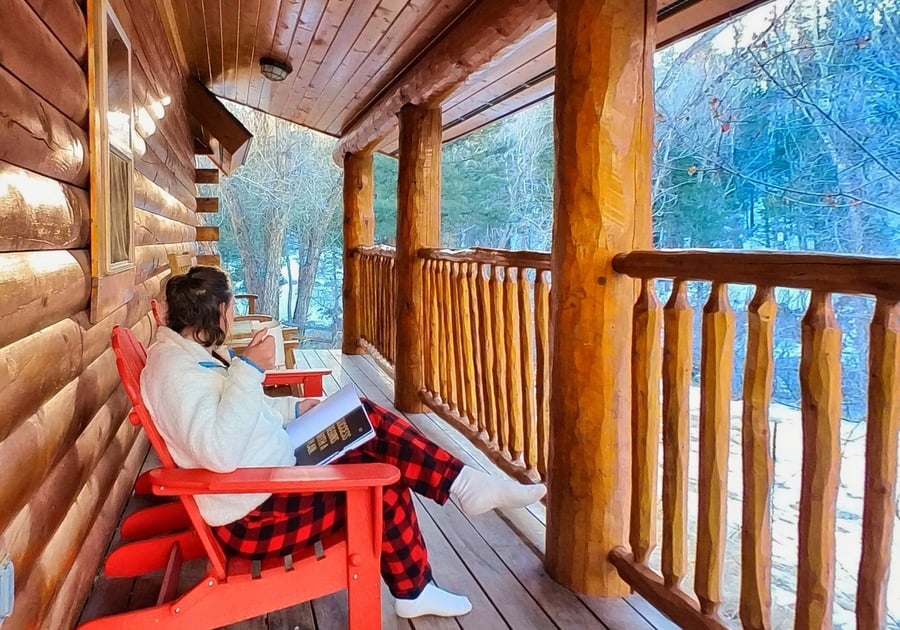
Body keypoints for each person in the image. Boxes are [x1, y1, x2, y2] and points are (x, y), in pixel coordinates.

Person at [141, 266, 546, 619]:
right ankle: (426, 566)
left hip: (268, 474)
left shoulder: (189, 354)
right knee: (379, 481)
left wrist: (299, 410)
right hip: (253, 513)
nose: (234, 319)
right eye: (230, 311)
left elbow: (240, 416)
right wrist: (249, 369)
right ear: (216, 315)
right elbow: (219, 450)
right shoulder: (178, 375)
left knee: (362, 419)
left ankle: (457, 500)